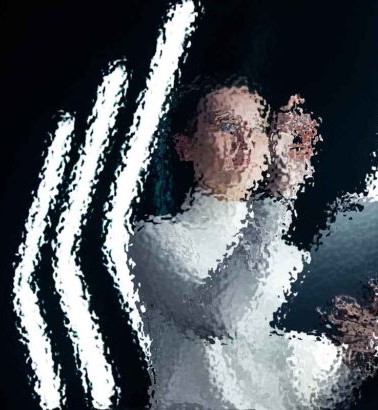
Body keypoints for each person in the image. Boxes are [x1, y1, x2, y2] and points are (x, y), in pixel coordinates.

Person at [128, 84, 355, 409]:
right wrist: (277, 197)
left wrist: (352, 358)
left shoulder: (294, 260)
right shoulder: (154, 240)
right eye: (226, 126)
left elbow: (312, 392)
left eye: (257, 129)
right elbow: (218, 317)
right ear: (184, 147)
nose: (246, 142)